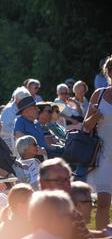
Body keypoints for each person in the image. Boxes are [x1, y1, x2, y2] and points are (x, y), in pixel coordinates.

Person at [83, 56, 112, 231]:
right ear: (109, 73)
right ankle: (102, 235)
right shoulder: (98, 93)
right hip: (102, 154)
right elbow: (86, 126)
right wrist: (94, 116)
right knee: (103, 202)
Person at [39, 158, 94, 239]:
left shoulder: (72, 212)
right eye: (58, 180)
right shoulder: (34, 215)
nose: (66, 185)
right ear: (43, 183)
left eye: (67, 180)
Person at [0, 86, 31, 152]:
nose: (25, 103)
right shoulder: (8, 110)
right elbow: (5, 128)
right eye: (23, 100)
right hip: (10, 141)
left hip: (21, 138)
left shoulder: (24, 108)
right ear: (16, 99)